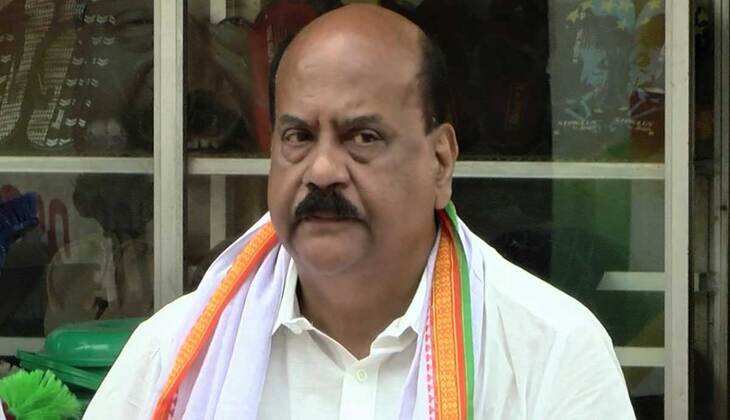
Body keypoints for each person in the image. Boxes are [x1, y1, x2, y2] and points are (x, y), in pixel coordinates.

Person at [84, 4, 635, 419]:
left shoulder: (549, 350)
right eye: (299, 136)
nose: (322, 170)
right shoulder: (176, 352)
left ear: (440, 162)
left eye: (363, 137)